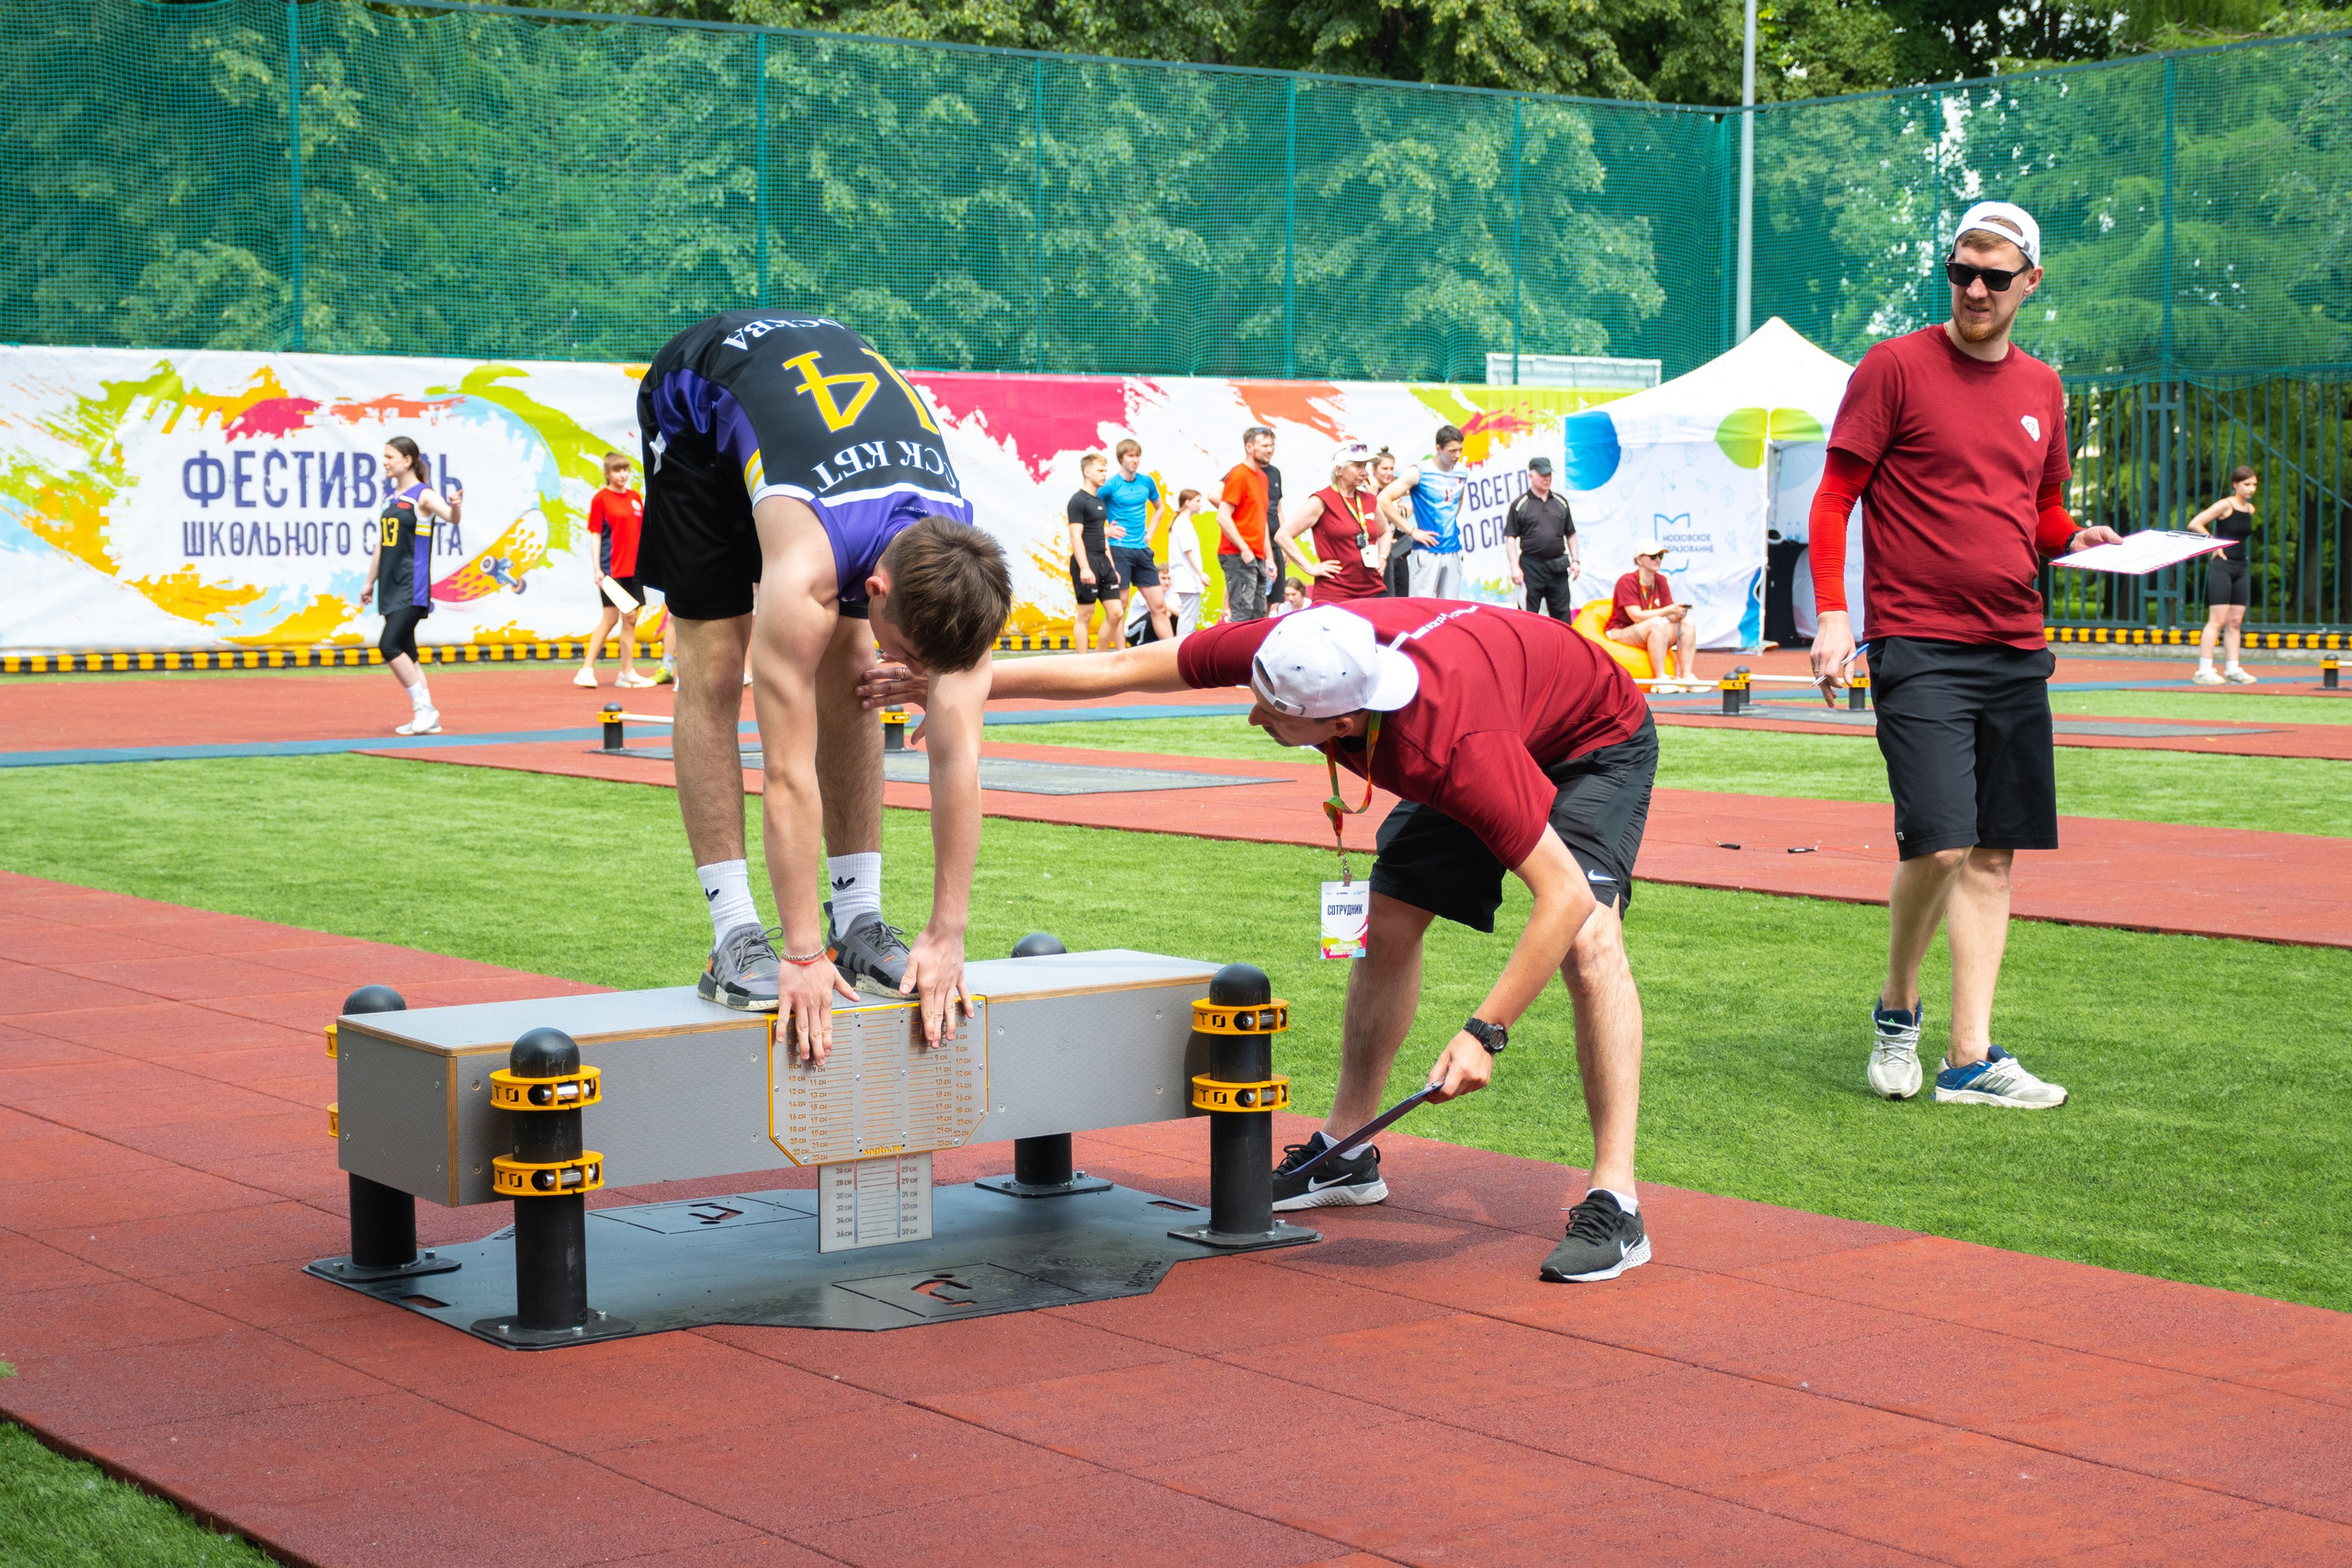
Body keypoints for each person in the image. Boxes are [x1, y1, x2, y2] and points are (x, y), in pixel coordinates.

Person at [883, 601, 1660, 1282]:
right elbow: (1123, 662)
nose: (1255, 716)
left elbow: (1558, 894)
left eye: (1276, 712)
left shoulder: (1455, 748)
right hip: (1499, 703)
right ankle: (1348, 1152)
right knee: (1388, 914)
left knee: (1590, 940)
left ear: (1344, 721)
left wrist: (1484, 1030)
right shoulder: (1291, 644)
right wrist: (958, 680)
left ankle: (1615, 1200)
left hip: (1592, 737)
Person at [1807, 200, 2120, 1110]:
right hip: (1917, 642)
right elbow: (1833, 500)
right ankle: (1897, 1010)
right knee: (1940, 845)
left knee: (1992, 854)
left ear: (2030, 281)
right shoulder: (1893, 366)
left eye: (1994, 275)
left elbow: (2040, 516)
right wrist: (1833, 615)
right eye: (1961, 272)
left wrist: (2078, 540)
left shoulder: (2042, 388)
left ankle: (1968, 1059)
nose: (1975, 289)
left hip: (2015, 645)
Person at [636, 310, 1013, 1059]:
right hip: (698, 407)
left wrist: (948, 933)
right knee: (713, 669)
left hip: (825, 435)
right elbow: (786, 773)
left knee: (856, 672)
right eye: (909, 654)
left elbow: (957, 755)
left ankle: (861, 916)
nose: (917, 677)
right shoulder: (809, 573)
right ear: (870, 586)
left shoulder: (961, 570)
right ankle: (734, 929)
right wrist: (800, 954)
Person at [354, 436, 462, 736]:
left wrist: (455, 507)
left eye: (390, 456)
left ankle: (423, 710)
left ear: (408, 460)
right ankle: (429, 716)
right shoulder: (391, 498)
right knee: (407, 651)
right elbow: (381, 545)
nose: (385, 462)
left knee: (389, 645)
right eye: (384, 456)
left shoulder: (423, 496)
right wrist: (369, 582)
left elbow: (451, 518)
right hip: (389, 584)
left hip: (411, 586)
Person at [1275, 442, 1390, 605]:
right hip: (1336, 594)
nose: (1363, 472)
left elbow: (1385, 531)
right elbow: (1282, 535)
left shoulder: (1370, 500)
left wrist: (1383, 557)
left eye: (1364, 466)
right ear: (1339, 470)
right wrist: (1310, 568)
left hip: (1373, 590)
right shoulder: (1322, 500)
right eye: (1357, 466)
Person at [578, 451, 654, 689]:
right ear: (608, 473)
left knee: (630, 618)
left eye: (625, 470)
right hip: (611, 568)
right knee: (611, 617)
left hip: (634, 569)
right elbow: (595, 534)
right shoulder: (600, 499)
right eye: (617, 470)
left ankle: (627, 672)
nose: (622, 474)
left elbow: (641, 533)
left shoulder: (635, 498)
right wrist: (597, 569)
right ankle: (586, 669)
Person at [2188, 467, 2260, 684]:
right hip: (2223, 566)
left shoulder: (2249, 509)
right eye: (2246, 484)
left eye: (2254, 485)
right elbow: (2195, 523)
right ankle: (2204, 670)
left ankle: (2233, 669)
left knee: (2235, 622)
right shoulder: (2225, 505)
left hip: (2241, 566)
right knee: (2217, 620)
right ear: (2235, 484)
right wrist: (2213, 545)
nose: (2251, 489)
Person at [1381, 425, 1469, 600]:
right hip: (1427, 551)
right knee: (1422, 607)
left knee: (1452, 609)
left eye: (1460, 450)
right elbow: (1383, 499)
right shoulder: (1419, 472)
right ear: (1438, 448)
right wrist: (1412, 531)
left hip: (1453, 549)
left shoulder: (1461, 472)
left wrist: (1448, 524)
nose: (1457, 455)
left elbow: (1458, 499)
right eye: (1452, 451)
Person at [1101, 439, 1175, 643]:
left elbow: (1159, 507)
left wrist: (1150, 532)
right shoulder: (1111, 484)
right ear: (1121, 459)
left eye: (1137, 456)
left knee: (1158, 605)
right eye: (1130, 456)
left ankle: (1172, 653)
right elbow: (1089, 508)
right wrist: (1106, 530)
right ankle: (1120, 656)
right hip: (1119, 549)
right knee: (1120, 607)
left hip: (1142, 550)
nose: (1135, 460)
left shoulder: (1146, 482)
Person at [1604, 543, 1701, 691]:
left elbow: (1671, 618)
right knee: (1656, 622)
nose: (1658, 560)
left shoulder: (1661, 580)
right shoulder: (1627, 581)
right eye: (1653, 556)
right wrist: (1669, 610)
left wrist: (1679, 613)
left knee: (1687, 623)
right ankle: (1660, 678)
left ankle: (1687, 676)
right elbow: (1636, 616)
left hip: (1648, 631)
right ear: (1639, 560)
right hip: (1621, 631)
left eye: (1660, 556)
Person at [1505, 456, 1577, 622]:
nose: (1547, 479)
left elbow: (1571, 533)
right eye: (1543, 475)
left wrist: (1576, 560)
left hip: (1558, 567)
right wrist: (1515, 567)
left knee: (1562, 617)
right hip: (1531, 567)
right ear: (1531, 475)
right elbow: (1510, 538)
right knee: (1528, 617)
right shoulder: (1520, 504)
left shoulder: (1560, 502)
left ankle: (1564, 647)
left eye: (1549, 475)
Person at [1216, 425, 1277, 623]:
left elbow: (1262, 521)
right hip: (1238, 554)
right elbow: (1223, 516)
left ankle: (1250, 654)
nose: (1270, 449)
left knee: (1258, 615)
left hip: (1257, 556)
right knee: (1242, 613)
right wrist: (1243, 547)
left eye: (1272, 445)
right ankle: (1232, 654)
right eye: (1265, 445)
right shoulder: (1239, 475)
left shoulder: (1263, 478)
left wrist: (1269, 557)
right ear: (1249, 447)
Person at [1066, 453, 1118, 652]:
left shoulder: (1099, 502)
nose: (1105, 475)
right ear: (1087, 472)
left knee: (1116, 613)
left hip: (1103, 561)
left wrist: (1111, 566)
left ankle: (1098, 659)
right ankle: (1083, 663)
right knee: (1086, 614)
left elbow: (1101, 535)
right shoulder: (1078, 501)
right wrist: (1085, 568)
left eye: (1106, 470)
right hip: (1086, 562)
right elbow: (1075, 536)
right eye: (1101, 470)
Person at [1167, 487, 1209, 637]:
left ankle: (1182, 646)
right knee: (1188, 617)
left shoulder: (1181, 522)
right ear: (1187, 502)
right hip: (1187, 576)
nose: (1199, 505)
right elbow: (1188, 550)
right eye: (1197, 501)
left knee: (1188, 615)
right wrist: (1201, 573)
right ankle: (1182, 647)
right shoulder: (1183, 523)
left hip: (1184, 575)